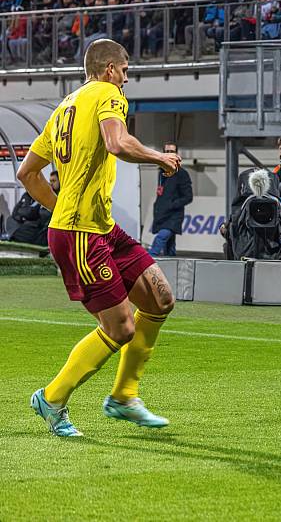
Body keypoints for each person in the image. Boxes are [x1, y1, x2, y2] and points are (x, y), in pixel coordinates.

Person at [17, 39, 182, 437]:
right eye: (125, 70)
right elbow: (117, 143)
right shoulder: (109, 94)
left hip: (99, 226)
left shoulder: (63, 109)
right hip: (80, 233)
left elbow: (27, 173)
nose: (126, 79)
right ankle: (52, 398)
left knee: (160, 299)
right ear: (110, 69)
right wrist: (160, 157)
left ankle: (124, 396)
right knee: (121, 327)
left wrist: (60, 209)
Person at [148, 141, 193, 257]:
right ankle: (170, 271)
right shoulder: (161, 173)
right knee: (169, 248)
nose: (169, 154)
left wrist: (171, 205)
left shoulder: (182, 174)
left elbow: (188, 197)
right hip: (161, 215)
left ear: (177, 154)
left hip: (173, 217)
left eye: (172, 151)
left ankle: (146, 262)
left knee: (160, 240)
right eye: (167, 151)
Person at [7, 170, 59, 246]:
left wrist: (24, 214)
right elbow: (16, 211)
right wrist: (23, 216)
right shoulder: (26, 195)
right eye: (50, 181)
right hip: (27, 223)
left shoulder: (53, 196)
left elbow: (33, 212)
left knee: (21, 232)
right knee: (10, 220)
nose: (51, 183)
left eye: (54, 181)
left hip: (41, 228)